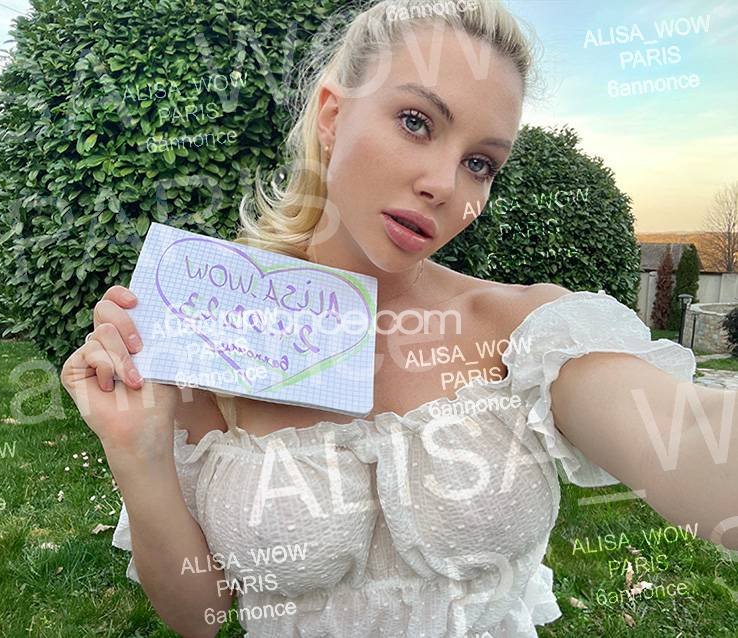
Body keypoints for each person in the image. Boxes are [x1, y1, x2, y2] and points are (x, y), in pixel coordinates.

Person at [60, 0, 737, 636]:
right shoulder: (214, 325)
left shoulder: (526, 328)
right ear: (331, 117)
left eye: (480, 163)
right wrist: (137, 452)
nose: (444, 185)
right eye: (417, 122)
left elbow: (687, 433)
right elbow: (201, 614)